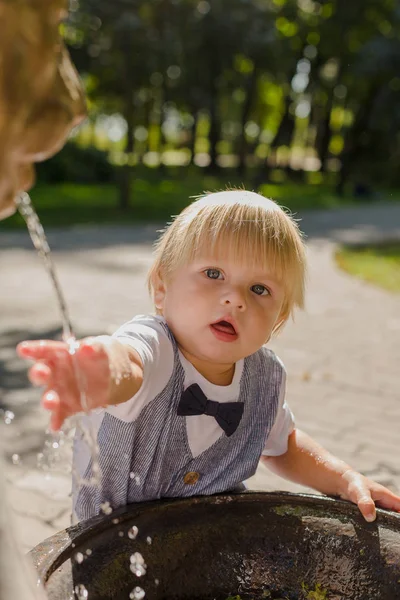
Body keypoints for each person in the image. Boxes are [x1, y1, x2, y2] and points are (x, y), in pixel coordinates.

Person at [17, 189, 400, 525]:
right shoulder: (156, 347)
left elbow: (284, 445)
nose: (235, 298)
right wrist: (98, 370)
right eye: (213, 273)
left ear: (278, 320)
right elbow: (128, 363)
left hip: (214, 541)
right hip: (115, 548)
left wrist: (344, 477)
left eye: (259, 289)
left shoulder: (262, 378)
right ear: (162, 289)